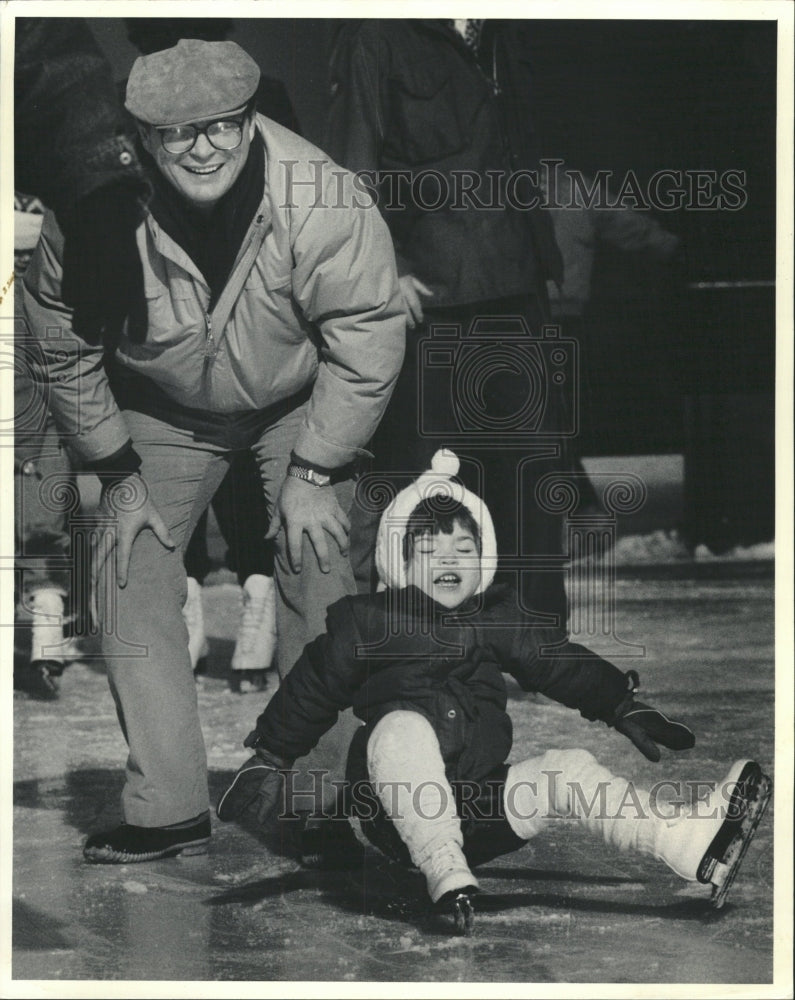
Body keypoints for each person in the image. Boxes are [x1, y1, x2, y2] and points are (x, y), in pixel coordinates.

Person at [21, 38, 405, 863]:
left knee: (319, 554)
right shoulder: (93, 208)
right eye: (176, 132)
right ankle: (167, 806)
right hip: (161, 410)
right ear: (141, 138)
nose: (202, 147)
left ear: (251, 117)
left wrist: (314, 471)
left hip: (292, 406)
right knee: (125, 565)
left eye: (223, 126)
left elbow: (367, 334)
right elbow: (60, 344)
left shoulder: (321, 194)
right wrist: (117, 475)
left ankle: (323, 798)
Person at [217, 449, 772, 934]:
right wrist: (270, 755)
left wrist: (618, 701)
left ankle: (687, 844)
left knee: (569, 769)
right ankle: (441, 864)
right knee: (399, 729)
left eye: (464, 548)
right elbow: (313, 686)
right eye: (430, 549)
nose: (450, 560)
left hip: (478, 807)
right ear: (399, 560)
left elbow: (555, 661)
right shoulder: (370, 622)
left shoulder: (496, 619)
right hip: (395, 812)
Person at [326, 19, 569, 622]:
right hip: (428, 299)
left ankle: (536, 633)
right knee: (422, 477)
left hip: (516, 286)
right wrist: (388, 270)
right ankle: (418, 638)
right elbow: (354, 168)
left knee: (533, 471)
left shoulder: (504, 31)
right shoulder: (376, 37)